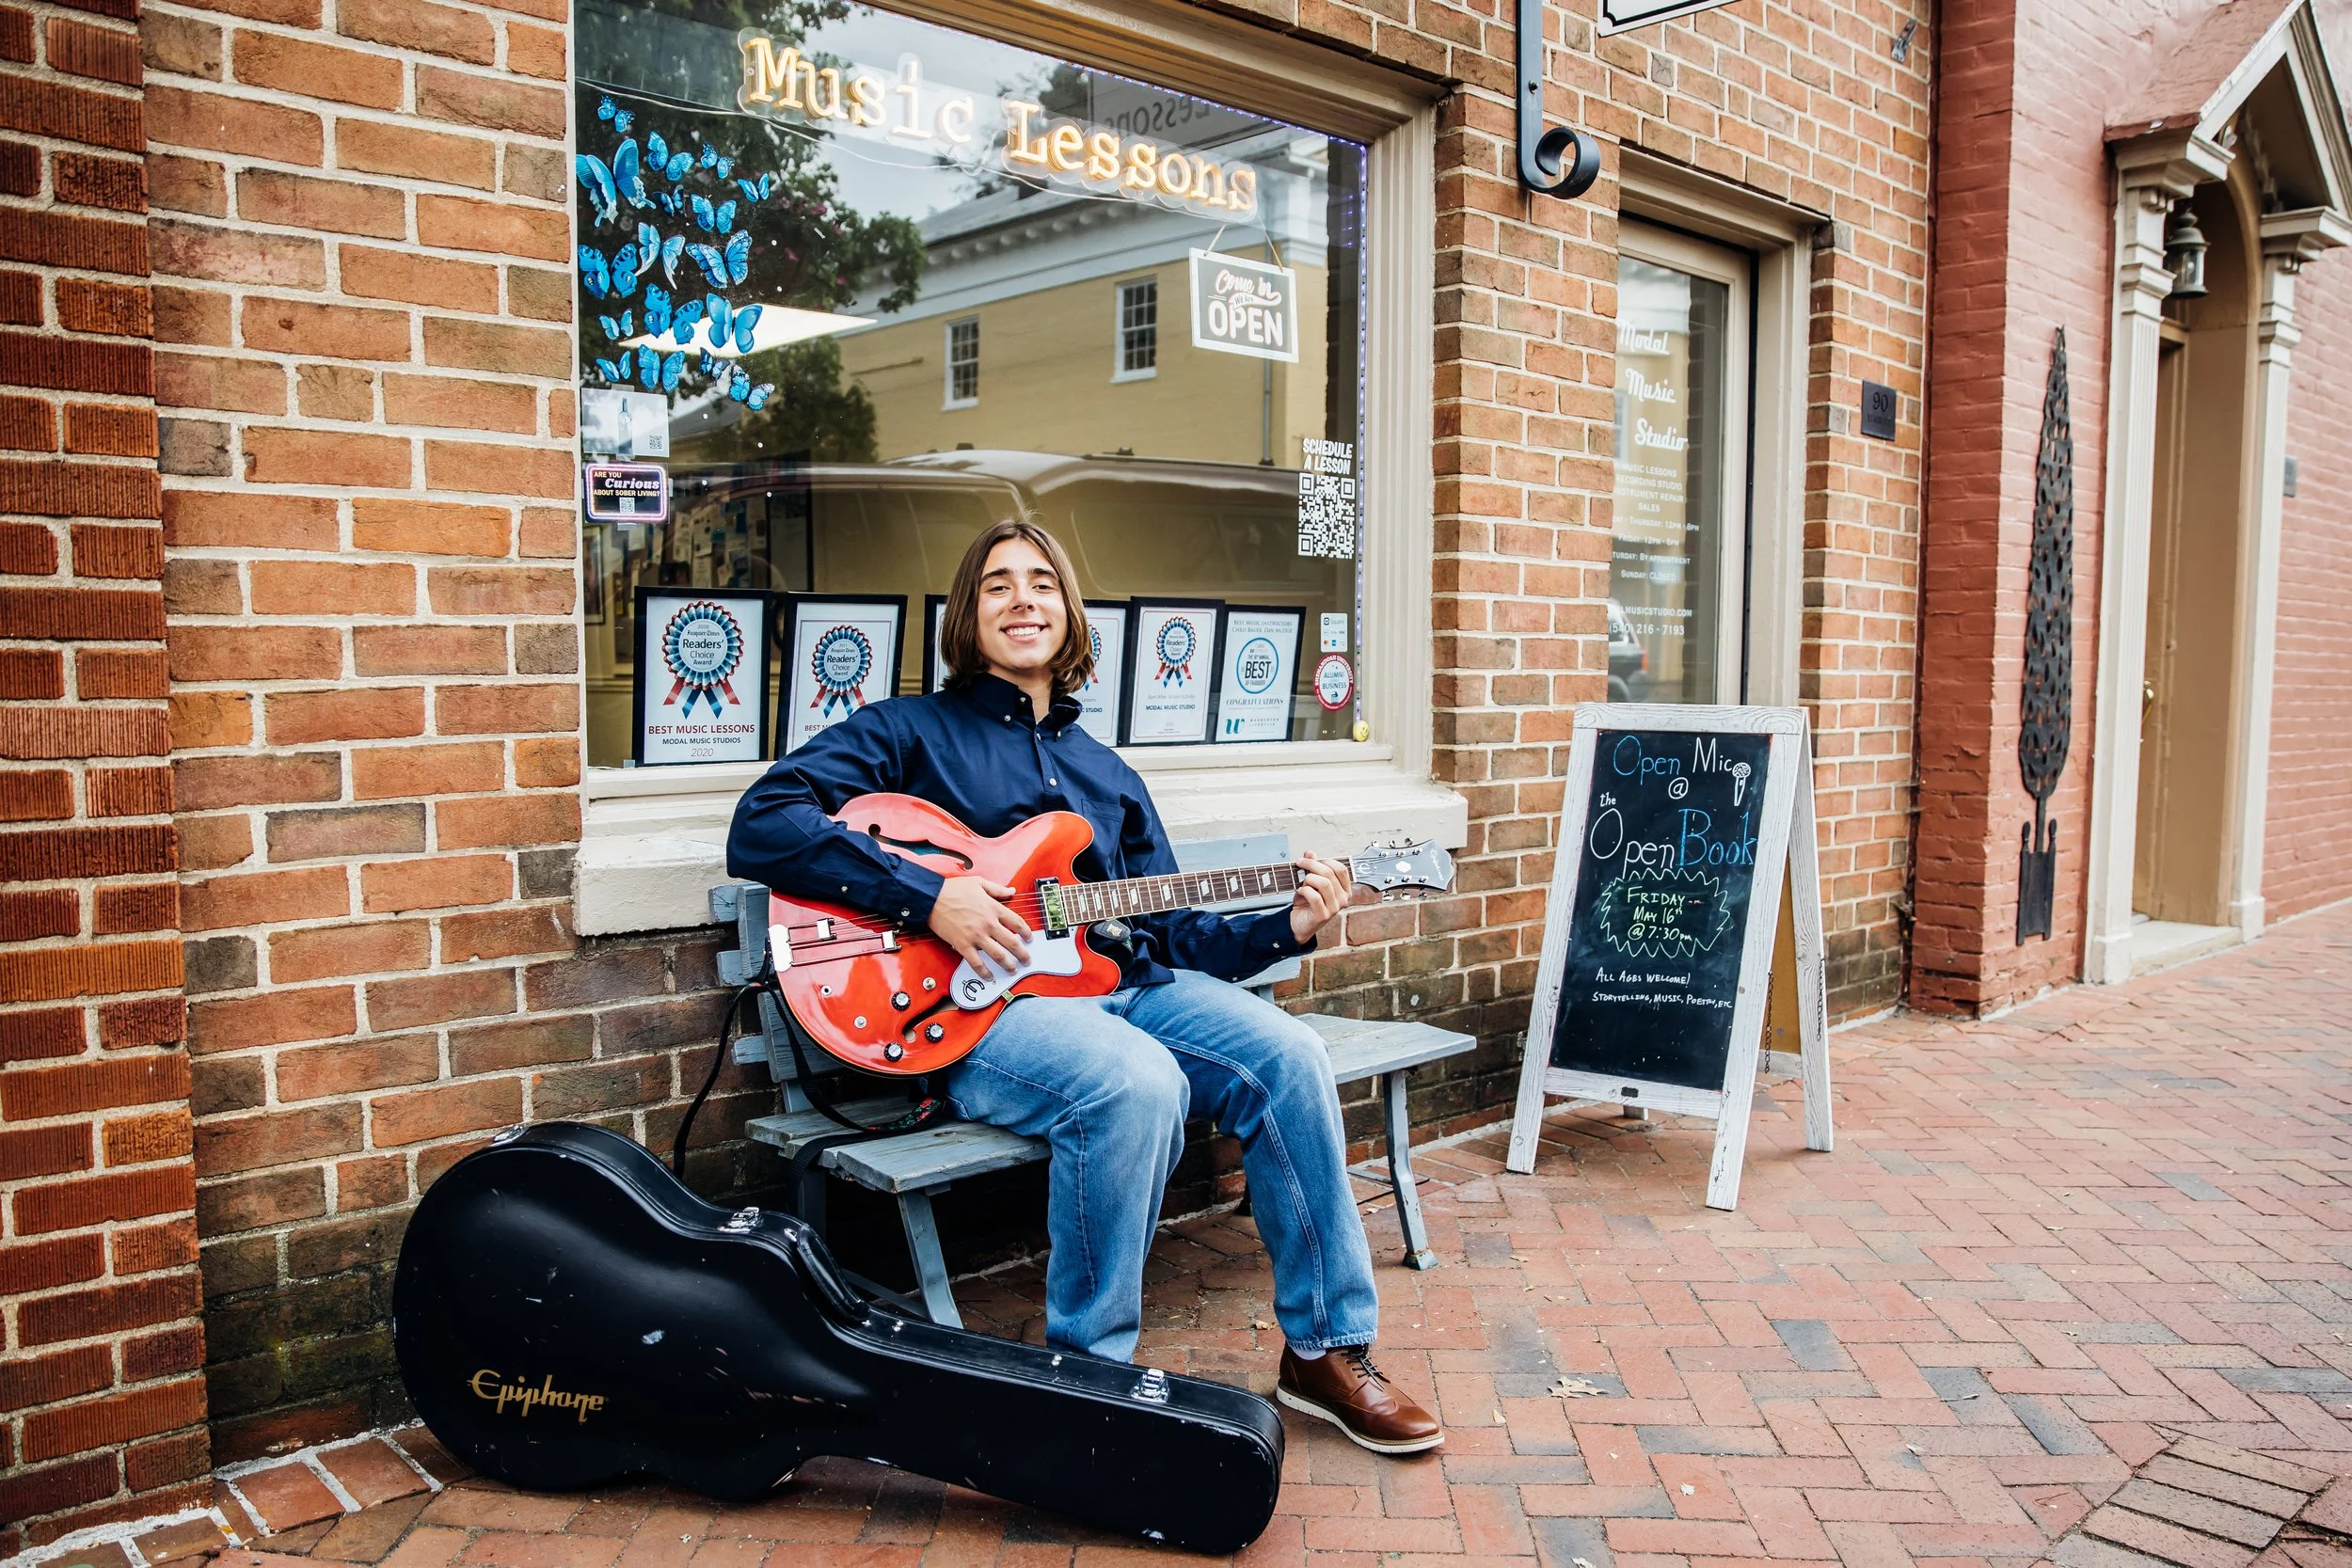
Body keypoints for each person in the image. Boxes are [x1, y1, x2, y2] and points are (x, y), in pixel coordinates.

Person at [727, 519, 1442, 1455]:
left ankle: (1325, 1349)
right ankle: (1089, 1377)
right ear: (965, 616)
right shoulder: (907, 733)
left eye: (1041, 584)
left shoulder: (1107, 774)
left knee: (1290, 1052)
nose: (1022, 598)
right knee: (1135, 1081)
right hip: (990, 1014)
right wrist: (932, 894)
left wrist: (1288, 925)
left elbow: (1174, 932)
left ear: (1067, 617)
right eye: (996, 585)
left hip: (1128, 992)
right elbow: (763, 822)